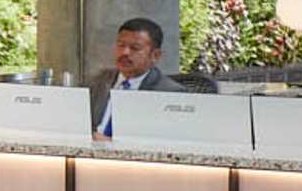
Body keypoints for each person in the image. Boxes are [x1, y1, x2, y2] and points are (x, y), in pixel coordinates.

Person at [86, 17, 219, 126]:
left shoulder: (169, 93)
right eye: (121, 45)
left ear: (155, 55)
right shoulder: (97, 82)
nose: (125, 52)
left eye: (135, 48)